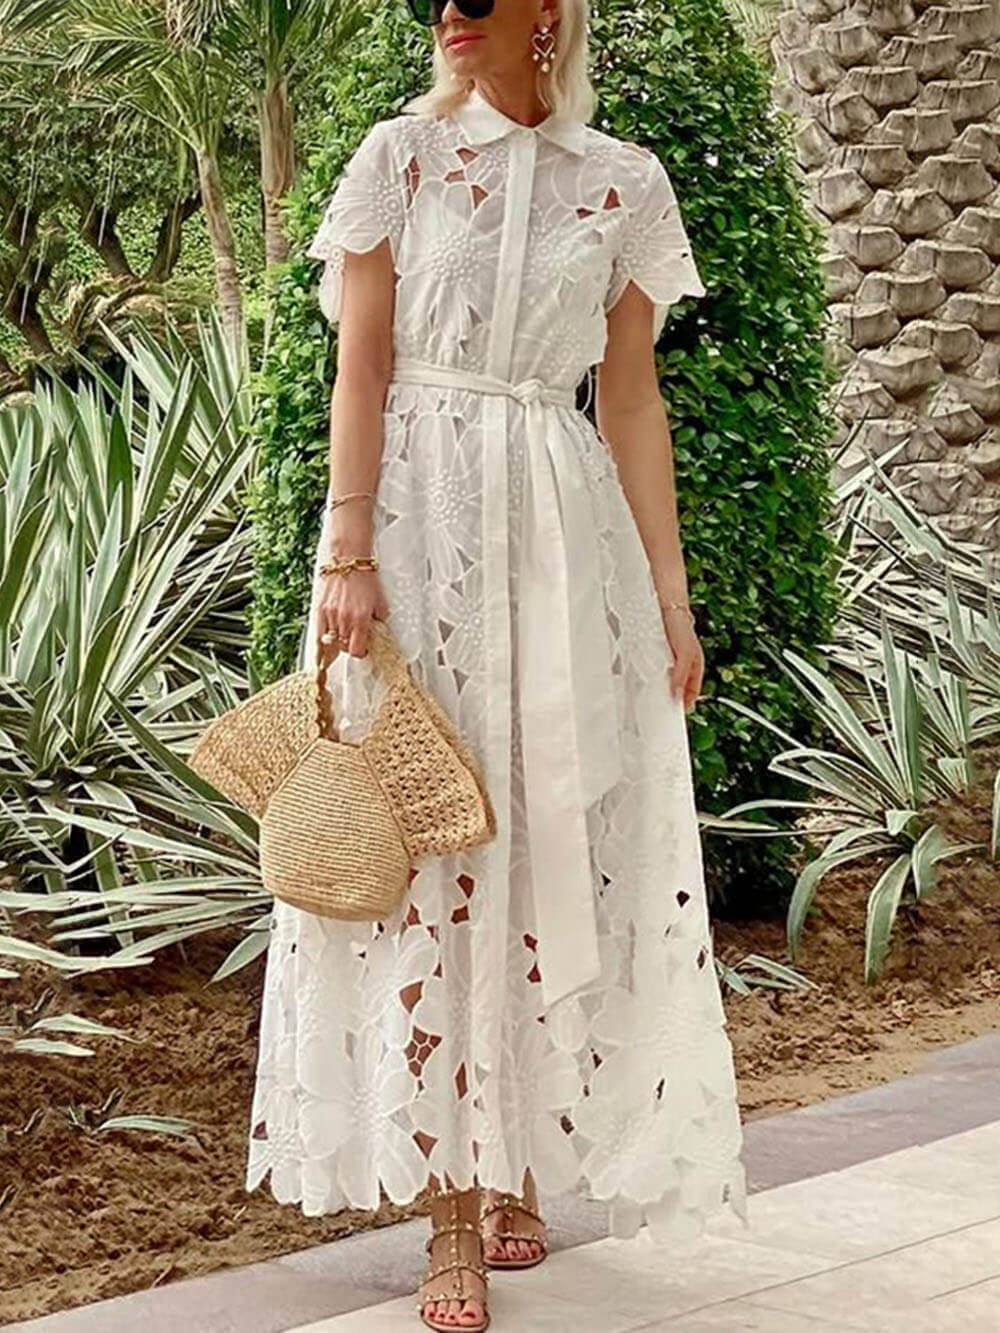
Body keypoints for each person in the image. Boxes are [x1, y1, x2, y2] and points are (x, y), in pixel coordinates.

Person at [246, 0, 749, 1327]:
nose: (453, 13)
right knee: (434, 839)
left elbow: (629, 396)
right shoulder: (399, 158)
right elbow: (361, 366)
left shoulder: (624, 181)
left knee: (543, 830)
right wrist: (348, 551)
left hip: (565, 539)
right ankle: (451, 1215)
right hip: (418, 532)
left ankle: (518, 1157)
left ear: (553, 14)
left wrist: (672, 599)